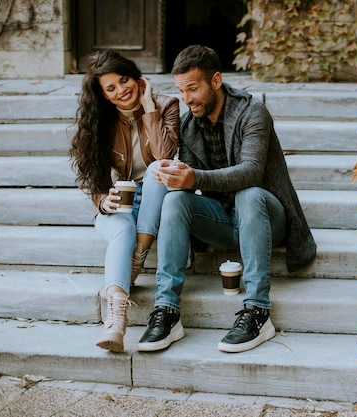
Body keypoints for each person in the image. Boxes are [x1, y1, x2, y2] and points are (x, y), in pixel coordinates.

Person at [136, 44, 317, 353]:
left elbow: (251, 172)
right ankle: (167, 311)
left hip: (268, 215)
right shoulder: (189, 123)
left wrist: (194, 177)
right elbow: (191, 182)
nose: (187, 99)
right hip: (225, 219)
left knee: (248, 194)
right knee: (175, 201)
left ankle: (258, 311)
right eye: (181, 91)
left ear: (216, 81)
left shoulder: (252, 112)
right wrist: (177, 175)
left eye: (193, 88)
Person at [69, 50, 180, 352]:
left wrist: (148, 110)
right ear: (103, 95)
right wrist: (104, 201)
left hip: (159, 193)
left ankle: (138, 255)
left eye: (124, 80)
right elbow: (95, 180)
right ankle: (115, 320)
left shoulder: (166, 104)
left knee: (159, 168)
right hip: (124, 200)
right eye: (111, 88)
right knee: (121, 228)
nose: (121, 90)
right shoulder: (100, 122)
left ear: (135, 78)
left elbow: (164, 156)